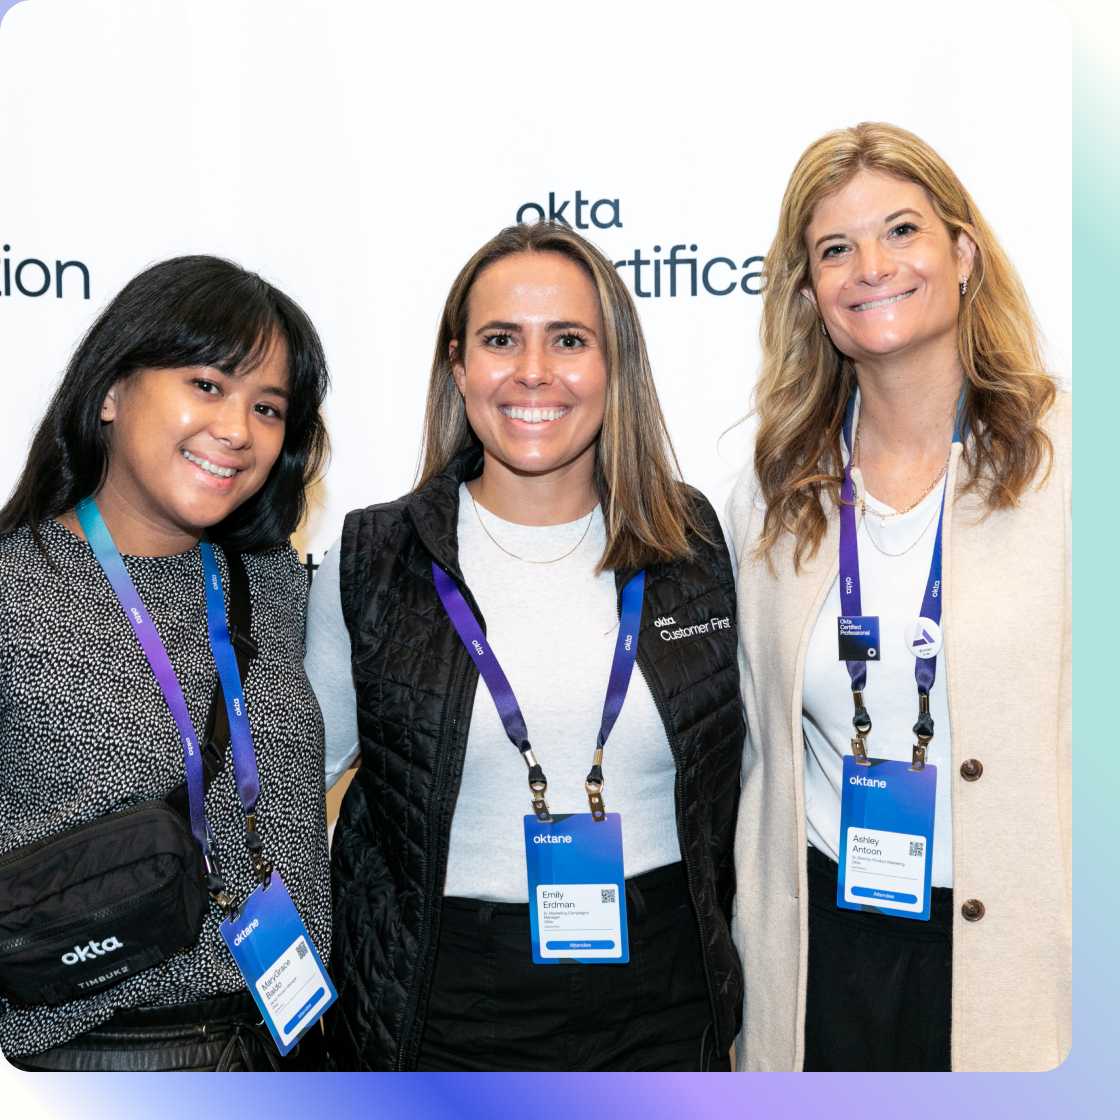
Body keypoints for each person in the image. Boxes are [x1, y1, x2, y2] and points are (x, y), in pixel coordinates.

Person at [306, 221, 744, 1071]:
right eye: (502, 340)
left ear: (614, 367)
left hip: (663, 1009)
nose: (534, 372)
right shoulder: (373, 559)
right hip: (442, 1013)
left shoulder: (693, 544)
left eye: (569, 340)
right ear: (459, 365)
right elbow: (283, 793)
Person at [728, 122, 1070, 1072]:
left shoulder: (1074, 465)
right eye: (835, 248)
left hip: (1024, 968)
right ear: (810, 293)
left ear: (963, 254)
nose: (870, 267)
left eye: (903, 232)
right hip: (820, 966)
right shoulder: (772, 491)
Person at [0, 255, 333, 1070]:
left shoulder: (275, 587)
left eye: (268, 407)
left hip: (295, 1045)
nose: (236, 429)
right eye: (208, 385)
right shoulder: (13, 588)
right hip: (104, 1062)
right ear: (111, 391)